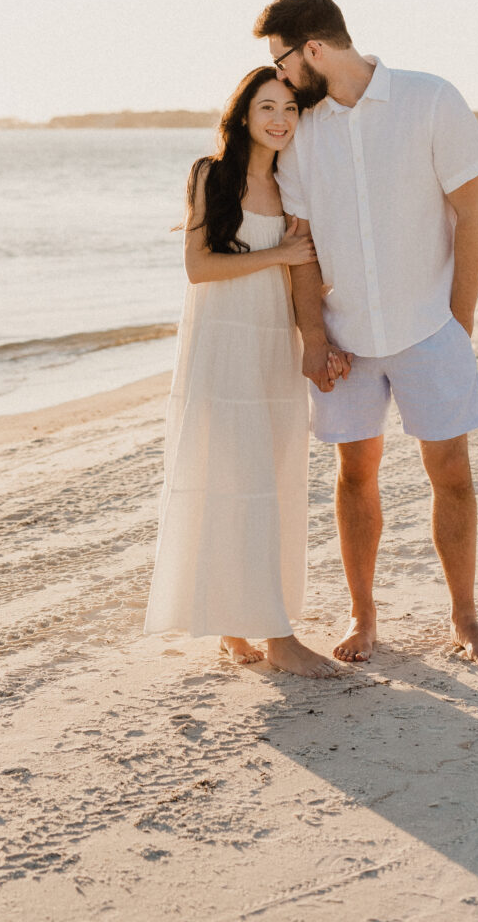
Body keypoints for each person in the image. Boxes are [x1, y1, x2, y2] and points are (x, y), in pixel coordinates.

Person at [253, 0, 478, 668]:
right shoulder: (301, 132)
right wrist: (315, 336)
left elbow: (473, 212)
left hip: (430, 326)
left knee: (449, 470)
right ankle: (363, 616)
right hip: (345, 338)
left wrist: (459, 322)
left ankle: (464, 617)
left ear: (311, 49)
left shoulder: (429, 99)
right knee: (353, 472)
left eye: (280, 62)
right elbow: (301, 243)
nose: (278, 79)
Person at [144, 66, 339, 678]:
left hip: (271, 346)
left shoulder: (294, 185)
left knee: (270, 480)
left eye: (289, 108)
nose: (280, 119)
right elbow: (199, 268)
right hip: (221, 346)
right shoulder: (212, 175)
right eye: (266, 108)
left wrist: (318, 343)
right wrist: (277, 253)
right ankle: (271, 635)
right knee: (230, 475)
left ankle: (241, 622)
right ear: (243, 115)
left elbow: (307, 275)